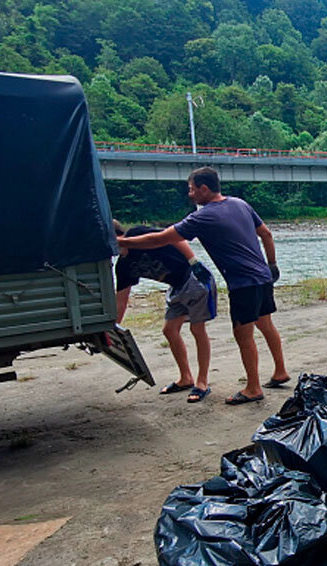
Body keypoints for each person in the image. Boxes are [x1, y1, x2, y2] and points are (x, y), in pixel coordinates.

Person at [118, 166, 290, 405]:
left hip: (243, 282)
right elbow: (267, 234)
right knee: (265, 323)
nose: (190, 194)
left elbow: (161, 238)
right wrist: (271, 265)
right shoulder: (240, 204)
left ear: (204, 189)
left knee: (243, 333)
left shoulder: (203, 216)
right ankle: (280, 371)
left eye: (191, 189)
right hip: (262, 276)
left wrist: (120, 241)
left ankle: (253, 388)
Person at [114, 221, 216, 402]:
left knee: (197, 329)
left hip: (193, 277)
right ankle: (185, 378)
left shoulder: (137, 235)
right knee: (169, 330)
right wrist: (113, 329)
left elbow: (174, 237)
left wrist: (193, 260)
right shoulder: (122, 266)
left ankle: (202, 382)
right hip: (176, 287)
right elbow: (121, 300)